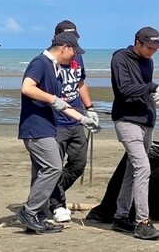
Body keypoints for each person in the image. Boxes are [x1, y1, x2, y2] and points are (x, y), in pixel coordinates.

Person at [16, 31, 99, 234]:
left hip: (48, 127)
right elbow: (26, 88)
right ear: (64, 48)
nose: (75, 57)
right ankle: (29, 211)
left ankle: (37, 218)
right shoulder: (41, 63)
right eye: (73, 52)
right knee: (54, 168)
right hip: (36, 128)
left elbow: (63, 105)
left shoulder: (55, 68)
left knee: (41, 173)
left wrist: (85, 118)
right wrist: (52, 99)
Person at [110, 26, 159, 241]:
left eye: (156, 48)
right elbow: (124, 89)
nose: (153, 51)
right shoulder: (120, 59)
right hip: (126, 121)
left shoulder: (148, 62)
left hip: (146, 121)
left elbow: (144, 89)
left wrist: (154, 96)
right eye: (150, 47)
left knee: (132, 169)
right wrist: (153, 87)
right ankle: (143, 222)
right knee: (143, 167)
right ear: (138, 43)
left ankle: (121, 216)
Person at [48, 20, 99, 223]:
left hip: (76, 120)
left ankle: (49, 194)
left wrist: (90, 109)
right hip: (56, 122)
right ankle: (58, 204)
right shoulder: (49, 60)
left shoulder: (77, 57)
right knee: (54, 166)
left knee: (78, 163)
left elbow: (81, 84)